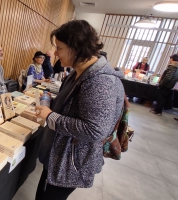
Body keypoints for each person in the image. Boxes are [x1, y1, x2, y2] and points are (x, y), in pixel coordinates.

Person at [34, 20, 125, 200]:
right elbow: (73, 106)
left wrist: (51, 116)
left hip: (70, 162)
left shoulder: (100, 82)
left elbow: (95, 129)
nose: (56, 53)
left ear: (76, 47)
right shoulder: (78, 72)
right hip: (59, 157)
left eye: (59, 48)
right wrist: (52, 102)